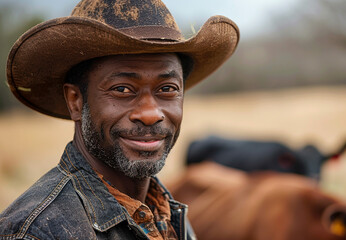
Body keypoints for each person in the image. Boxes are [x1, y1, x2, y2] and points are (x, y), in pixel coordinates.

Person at [0, 0, 239, 239]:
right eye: (123, 89)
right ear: (75, 101)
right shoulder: (35, 233)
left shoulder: (166, 214)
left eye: (167, 89)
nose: (150, 114)